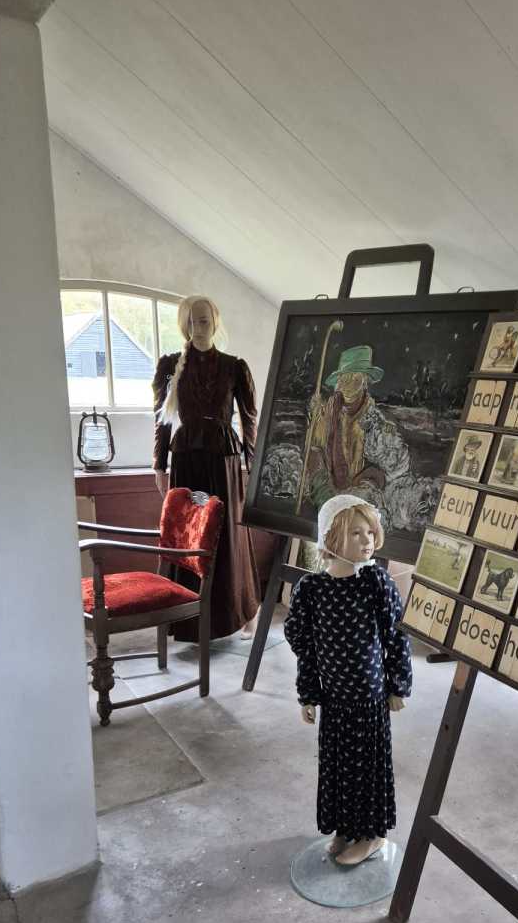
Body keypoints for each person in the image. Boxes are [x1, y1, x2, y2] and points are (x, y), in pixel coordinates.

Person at [283, 495, 412, 867]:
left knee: (366, 769)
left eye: (370, 532)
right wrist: (308, 694)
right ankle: (345, 826)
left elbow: (396, 635)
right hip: (334, 700)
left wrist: (397, 685)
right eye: (356, 533)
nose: (366, 540)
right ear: (330, 537)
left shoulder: (375, 582)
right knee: (339, 766)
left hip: (369, 699)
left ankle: (371, 835)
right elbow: (305, 646)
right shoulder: (312, 589)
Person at [152, 295, 260, 640]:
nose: (198, 327)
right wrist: (159, 465)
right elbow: (162, 420)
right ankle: (186, 619)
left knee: (226, 534)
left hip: (223, 459)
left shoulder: (234, 366)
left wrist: (252, 463)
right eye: (191, 321)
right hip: (185, 459)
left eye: (203, 320)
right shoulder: (170, 365)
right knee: (186, 534)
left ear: (215, 321)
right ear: (183, 325)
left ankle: (241, 612)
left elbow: (249, 419)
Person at [303, 345, 411, 506]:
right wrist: (315, 417)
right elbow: (313, 452)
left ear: (365, 381)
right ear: (338, 382)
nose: (349, 384)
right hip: (325, 500)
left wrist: (365, 488)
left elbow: (386, 474)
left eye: (356, 379)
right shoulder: (326, 415)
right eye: (345, 378)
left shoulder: (377, 426)